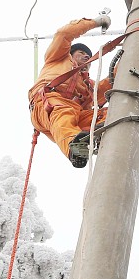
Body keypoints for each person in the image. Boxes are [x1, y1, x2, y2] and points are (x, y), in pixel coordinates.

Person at [29, 13, 113, 167]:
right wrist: (95, 22)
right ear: (71, 54)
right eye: (81, 53)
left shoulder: (88, 85)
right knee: (63, 113)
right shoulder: (57, 59)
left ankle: (101, 137)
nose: (86, 56)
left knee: (113, 112)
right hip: (47, 103)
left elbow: (109, 84)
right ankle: (74, 149)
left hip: (75, 114)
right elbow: (64, 34)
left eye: (88, 56)